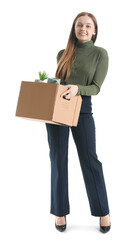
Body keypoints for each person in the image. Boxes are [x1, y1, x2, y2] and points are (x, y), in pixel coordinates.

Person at [45, 11, 111, 233]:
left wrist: (77, 90)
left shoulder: (100, 55)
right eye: (79, 25)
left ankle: (103, 211)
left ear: (94, 31)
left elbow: (95, 87)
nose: (83, 29)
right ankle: (60, 211)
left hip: (83, 109)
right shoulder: (63, 53)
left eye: (88, 26)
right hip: (58, 110)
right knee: (58, 159)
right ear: (74, 29)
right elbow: (60, 84)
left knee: (90, 160)